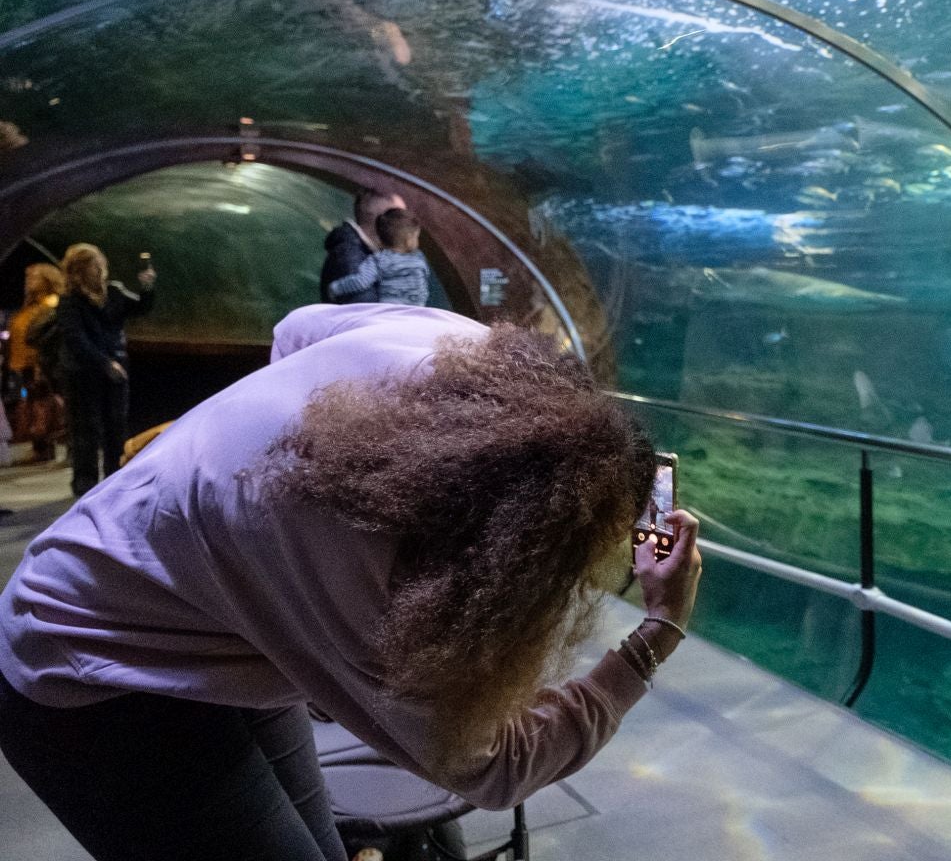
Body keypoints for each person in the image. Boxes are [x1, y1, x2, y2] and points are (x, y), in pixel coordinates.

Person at [0, 303, 701, 861]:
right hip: (87, 679)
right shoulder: (378, 588)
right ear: (508, 557)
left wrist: (263, 464)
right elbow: (494, 765)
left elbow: (295, 331)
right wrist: (656, 633)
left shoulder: (448, 340)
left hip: (209, 625)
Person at [54, 243, 154, 497]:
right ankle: (84, 486)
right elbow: (76, 339)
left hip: (116, 368)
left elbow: (141, 307)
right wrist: (104, 363)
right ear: (78, 270)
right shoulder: (69, 302)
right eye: (92, 263)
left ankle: (115, 478)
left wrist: (148, 287)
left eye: (99, 262)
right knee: (85, 429)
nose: (99, 268)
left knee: (116, 426)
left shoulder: (114, 292)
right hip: (83, 372)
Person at [5, 263, 66, 463]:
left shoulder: (51, 305)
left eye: (34, 277)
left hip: (42, 364)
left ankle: (46, 445)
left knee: (43, 404)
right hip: (23, 364)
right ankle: (40, 446)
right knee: (32, 402)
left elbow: (46, 338)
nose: (29, 282)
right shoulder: (28, 307)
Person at [326, 208, 430, 306]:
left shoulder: (379, 259)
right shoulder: (419, 259)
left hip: (388, 312)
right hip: (417, 312)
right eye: (416, 237)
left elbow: (361, 281)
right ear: (409, 240)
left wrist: (335, 288)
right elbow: (424, 283)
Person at [321, 186, 406, 304]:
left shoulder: (365, 256)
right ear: (381, 221)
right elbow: (371, 317)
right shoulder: (350, 259)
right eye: (399, 217)